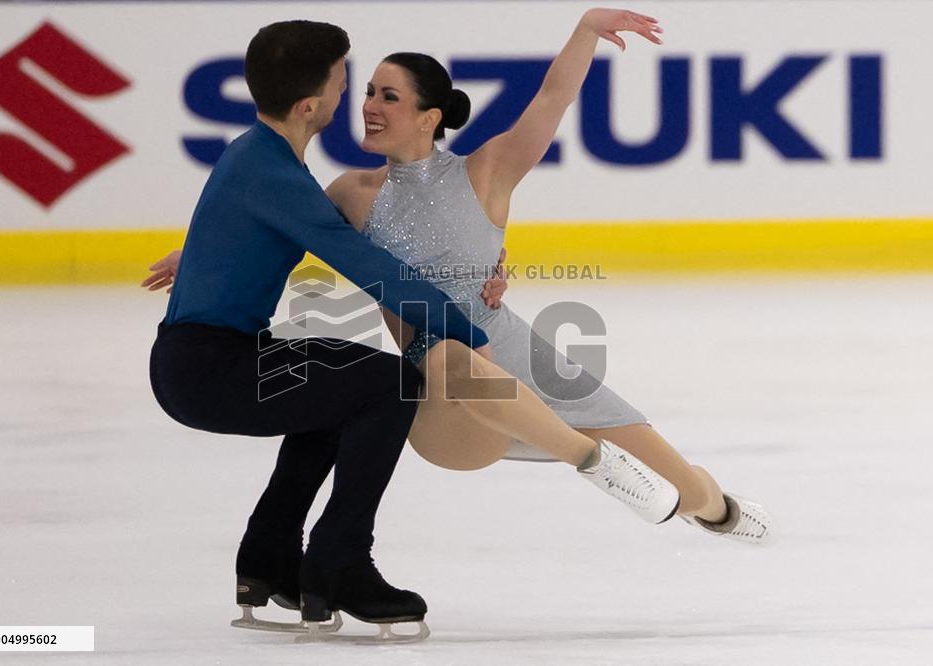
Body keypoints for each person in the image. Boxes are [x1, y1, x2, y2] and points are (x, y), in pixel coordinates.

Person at [151, 9, 771, 544]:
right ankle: (594, 464)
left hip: (522, 355)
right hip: (445, 389)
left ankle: (722, 513)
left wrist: (585, 29)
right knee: (450, 353)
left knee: (688, 488)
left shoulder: (487, 171)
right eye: (366, 91)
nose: (367, 106)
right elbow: (272, 229)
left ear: (429, 116)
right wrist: (195, 255)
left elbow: (551, 100)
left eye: (388, 96)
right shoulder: (349, 193)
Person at [148, 20, 501, 643]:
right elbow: (369, 268)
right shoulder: (276, 175)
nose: (352, 100)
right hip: (209, 371)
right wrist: (468, 332)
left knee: (343, 383)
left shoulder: (256, 155)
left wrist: (197, 255)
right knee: (390, 383)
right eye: (344, 84)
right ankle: (339, 564)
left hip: (207, 358)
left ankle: (268, 560)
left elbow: (236, 224)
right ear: (311, 105)